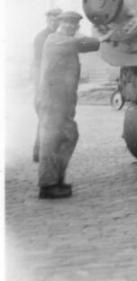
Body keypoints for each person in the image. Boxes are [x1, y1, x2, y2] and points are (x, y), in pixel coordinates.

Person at [37, 11, 100, 199]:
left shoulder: (67, 41)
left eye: (74, 25)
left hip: (64, 101)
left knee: (69, 136)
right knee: (51, 140)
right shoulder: (55, 40)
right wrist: (106, 35)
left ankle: (56, 180)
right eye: (67, 25)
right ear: (59, 25)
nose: (70, 28)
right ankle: (47, 185)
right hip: (52, 100)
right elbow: (91, 43)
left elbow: (90, 46)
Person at [32, 8, 63, 162]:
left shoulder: (59, 36)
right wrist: (39, 88)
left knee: (50, 120)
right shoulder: (41, 38)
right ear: (47, 20)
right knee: (46, 119)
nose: (54, 23)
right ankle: (41, 152)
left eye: (57, 20)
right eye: (52, 20)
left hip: (55, 84)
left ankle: (41, 152)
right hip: (45, 84)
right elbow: (37, 64)